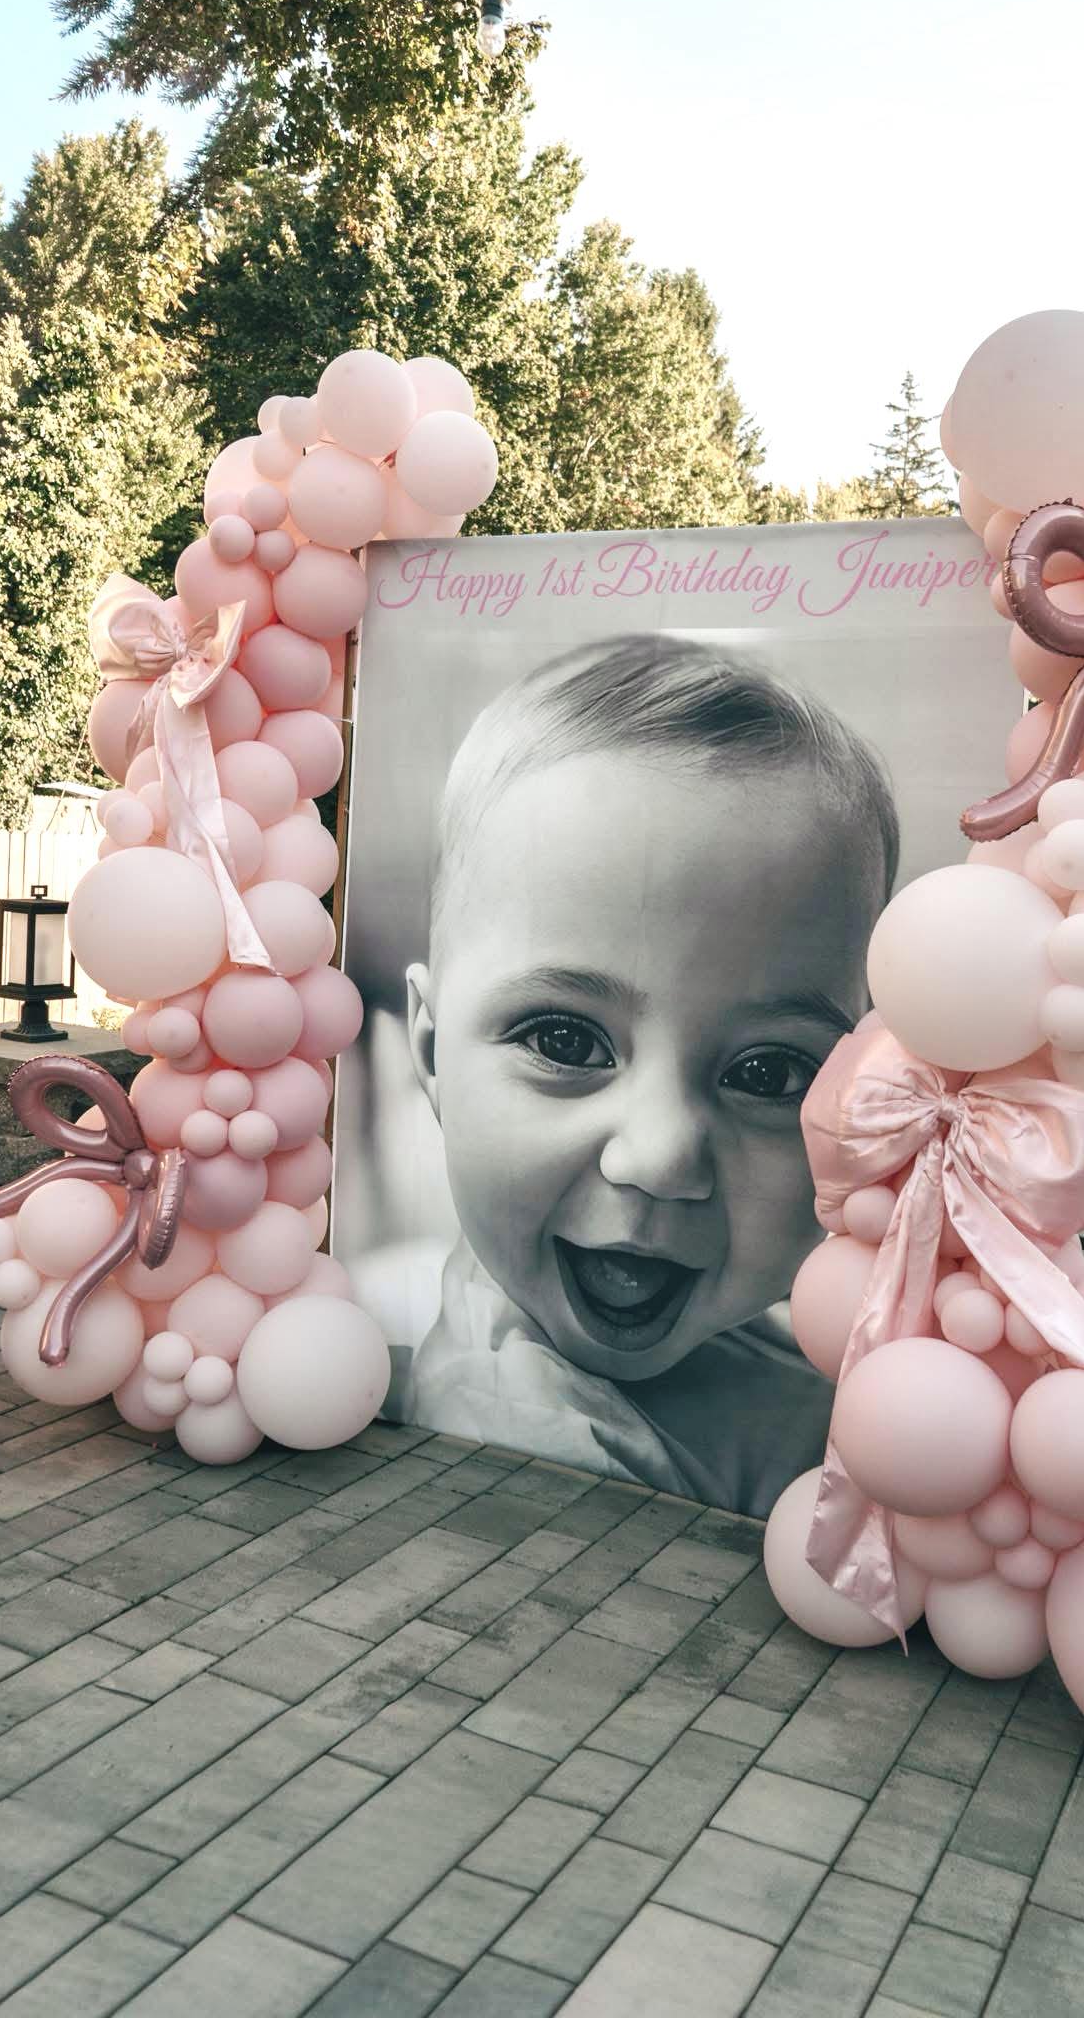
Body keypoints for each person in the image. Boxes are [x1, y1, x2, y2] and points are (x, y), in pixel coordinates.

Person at [398, 633, 899, 1516]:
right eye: (565, 1042)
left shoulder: (775, 1329)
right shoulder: (537, 1458)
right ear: (432, 1053)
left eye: (768, 1071)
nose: (661, 1155)